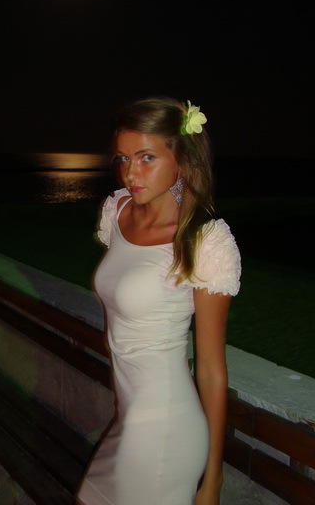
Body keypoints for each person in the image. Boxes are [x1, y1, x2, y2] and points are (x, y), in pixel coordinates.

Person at [76, 96, 241, 505]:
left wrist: (212, 481)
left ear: (182, 160)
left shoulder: (204, 242)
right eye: (123, 158)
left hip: (165, 430)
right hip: (128, 419)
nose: (131, 173)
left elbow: (210, 370)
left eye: (146, 158)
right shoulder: (117, 211)